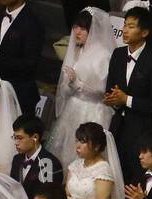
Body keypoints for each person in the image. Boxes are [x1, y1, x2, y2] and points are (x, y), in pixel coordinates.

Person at [105, 9, 152, 184]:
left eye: (131, 26)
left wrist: (127, 100)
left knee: (134, 180)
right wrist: (113, 100)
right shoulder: (117, 55)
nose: (124, 30)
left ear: (144, 32)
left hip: (142, 131)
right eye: (124, 25)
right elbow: (111, 88)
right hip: (117, 127)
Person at [50, 9, 116, 166]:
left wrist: (77, 83)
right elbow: (65, 86)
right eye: (75, 27)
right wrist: (69, 84)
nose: (77, 32)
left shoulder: (104, 55)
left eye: (83, 28)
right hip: (72, 107)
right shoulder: (76, 50)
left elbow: (102, 90)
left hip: (92, 111)